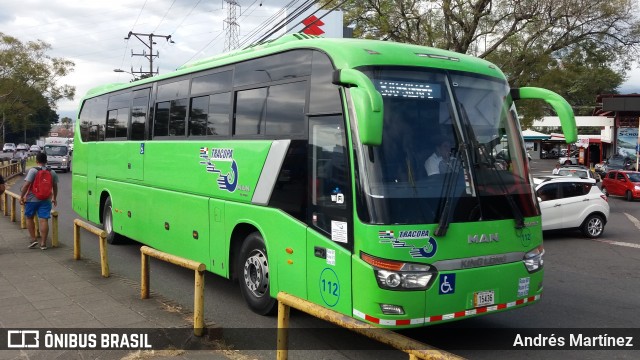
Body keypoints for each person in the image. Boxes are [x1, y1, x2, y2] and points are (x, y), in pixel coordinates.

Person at [19, 152, 58, 250]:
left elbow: (27, 185)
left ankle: (33, 239)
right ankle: (43, 243)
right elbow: (55, 186)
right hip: (46, 200)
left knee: (29, 218)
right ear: (46, 161)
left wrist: (21, 196)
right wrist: (54, 198)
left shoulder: (33, 171)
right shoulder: (52, 172)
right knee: (44, 220)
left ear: (36, 161)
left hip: (32, 199)